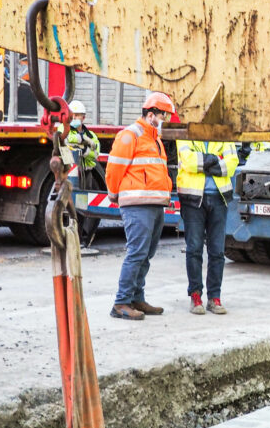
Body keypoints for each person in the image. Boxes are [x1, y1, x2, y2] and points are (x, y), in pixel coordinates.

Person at [105, 92, 176, 321]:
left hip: (155, 204)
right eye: (163, 115)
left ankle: (136, 298)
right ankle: (121, 302)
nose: (164, 119)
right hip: (137, 204)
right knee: (136, 253)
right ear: (151, 114)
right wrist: (113, 194)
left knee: (146, 254)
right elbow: (114, 168)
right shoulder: (131, 135)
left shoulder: (154, 139)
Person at [176, 138, 239, 315]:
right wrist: (215, 159)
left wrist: (202, 161)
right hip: (193, 199)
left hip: (219, 198)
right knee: (194, 249)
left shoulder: (222, 133)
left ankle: (214, 297)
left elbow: (232, 164)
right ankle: (195, 296)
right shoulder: (186, 134)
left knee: (217, 251)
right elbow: (188, 162)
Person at [65, 100, 101, 174]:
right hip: (69, 172)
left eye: (77, 115)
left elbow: (95, 154)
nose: (74, 118)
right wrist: (82, 138)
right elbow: (66, 140)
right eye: (72, 115)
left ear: (83, 117)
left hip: (87, 173)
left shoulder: (91, 135)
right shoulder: (64, 130)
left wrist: (84, 150)